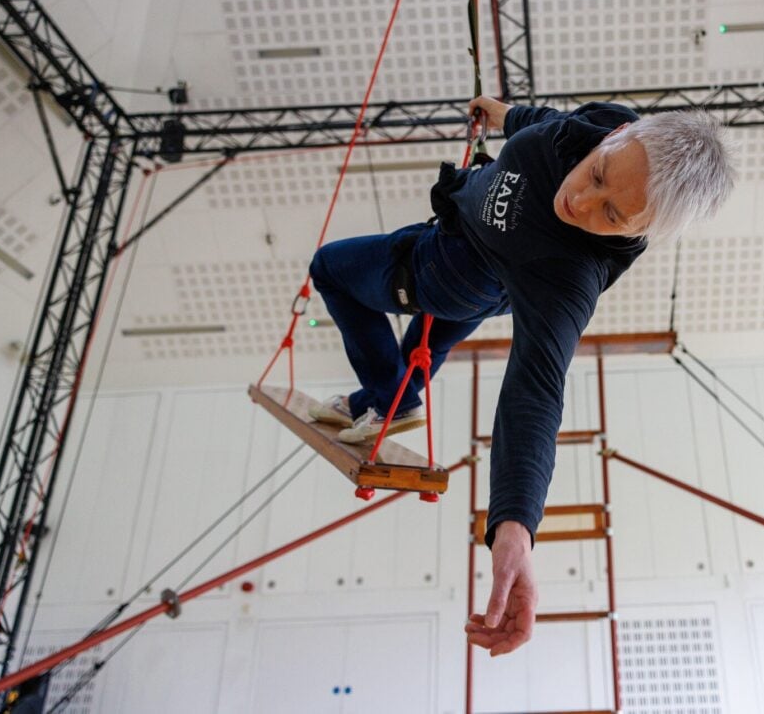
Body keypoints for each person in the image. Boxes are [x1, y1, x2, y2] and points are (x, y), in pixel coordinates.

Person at [307, 96, 735, 655]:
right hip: (465, 253)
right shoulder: (601, 124)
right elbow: (551, 124)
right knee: (424, 347)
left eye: (611, 215)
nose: (579, 202)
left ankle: (389, 399)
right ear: (618, 134)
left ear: (642, 229)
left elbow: (535, 390)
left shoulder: (569, 275)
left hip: (441, 272)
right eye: (598, 175)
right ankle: (392, 396)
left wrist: (515, 527)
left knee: (329, 270)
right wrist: (503, 115)